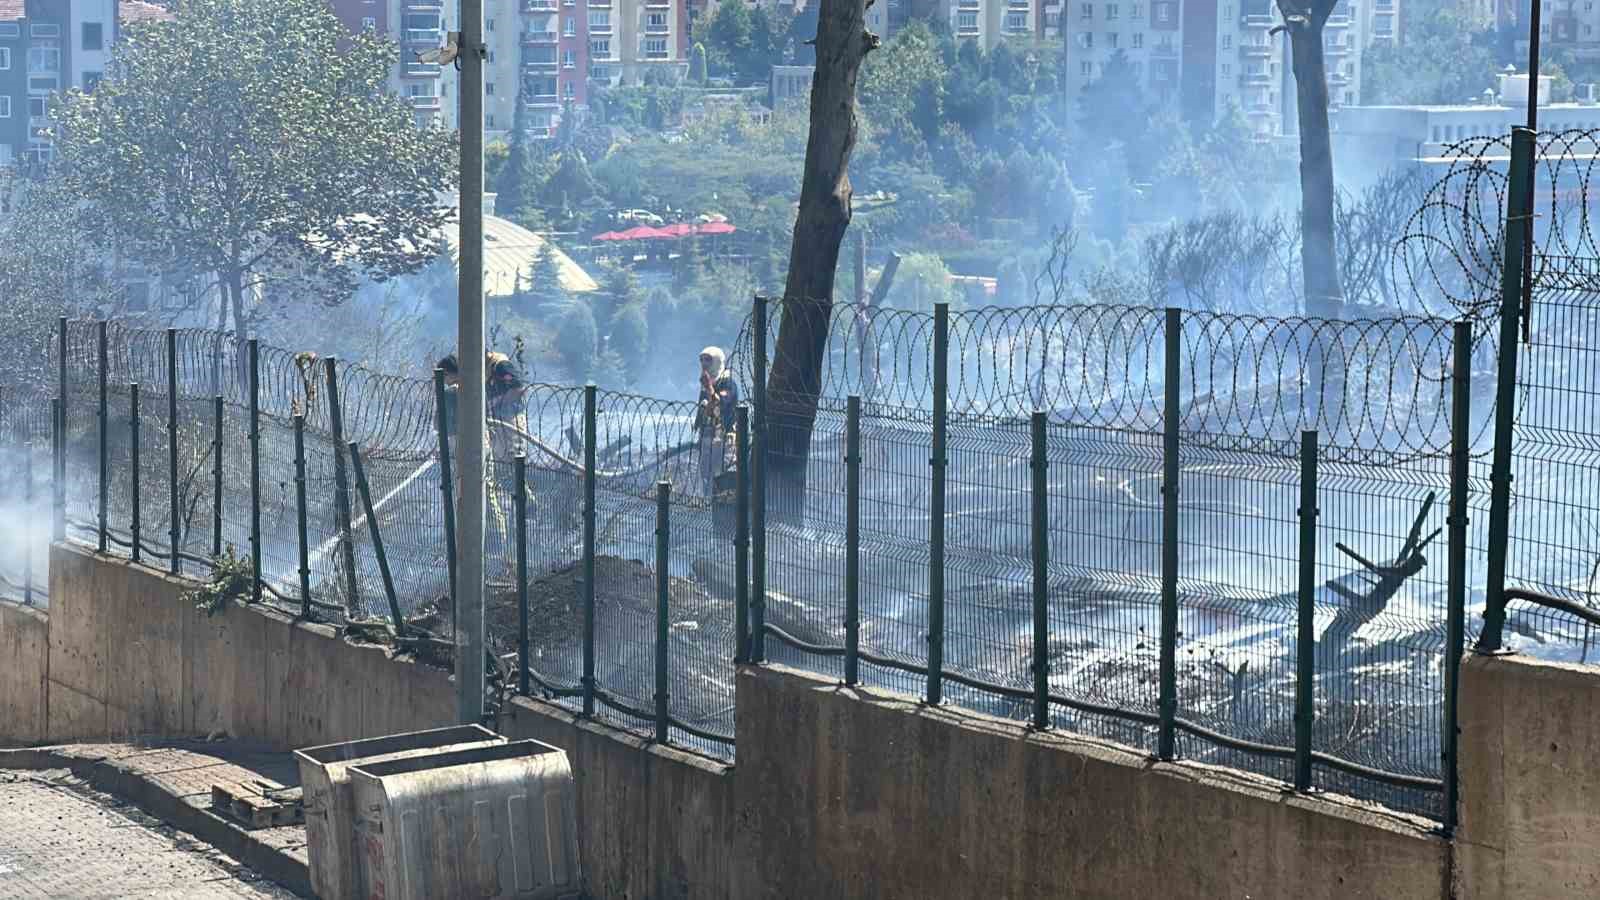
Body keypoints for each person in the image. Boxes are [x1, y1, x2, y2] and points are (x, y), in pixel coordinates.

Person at [438, 351, 531, 552]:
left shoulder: (500, 365)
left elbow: (518, 387)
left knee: (501, 478)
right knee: (502, 477)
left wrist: (498, 405)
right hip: (493, 433)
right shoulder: (472, 383)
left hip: (508, 425)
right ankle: (525, 512)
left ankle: (521, 518)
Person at [694, 346, 738, 496]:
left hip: (724, 441)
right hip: (707, 441)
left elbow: (720, 402)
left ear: (717, 361)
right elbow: (705, 412)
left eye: (708, 359)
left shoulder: (727, 382)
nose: (704, 363)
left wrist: (709, 388)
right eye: (702, 359)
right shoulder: (706, 384)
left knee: (722, 479)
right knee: (706, 480)